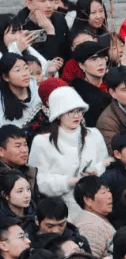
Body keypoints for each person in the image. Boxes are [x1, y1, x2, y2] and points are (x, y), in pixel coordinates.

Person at [28, 85, 108, 218]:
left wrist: (96, 171)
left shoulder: (94, 135)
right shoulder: (42, 142)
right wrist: (67, 182)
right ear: (58, 115)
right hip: (60, 211)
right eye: (70, 112)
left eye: (79, 111)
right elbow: (38, 181)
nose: (76, 116)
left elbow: (105, 164)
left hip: (94, 206)